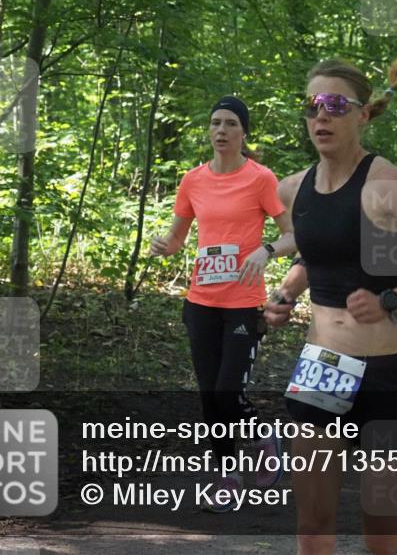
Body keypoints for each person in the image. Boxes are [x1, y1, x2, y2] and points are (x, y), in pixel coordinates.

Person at [263, 55, 397, 555]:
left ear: (361, 114)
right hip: (322, 369)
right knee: (312, 525)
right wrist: (285, 294)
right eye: (313, 105)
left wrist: (391, 298)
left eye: (335, 105)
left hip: (385, 375)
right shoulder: (292, 190)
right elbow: (318, 257)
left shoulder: (386, 183)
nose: (321, 116)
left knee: (378, 540)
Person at [149, 96, 296, 510]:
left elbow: (293, 234)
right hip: (200, 301)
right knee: (210, 396)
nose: (221, 130)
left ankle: (263, 439)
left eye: (231, 123)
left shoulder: (261, 178)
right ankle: (228, 474)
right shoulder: (192, 180)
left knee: (228, 391)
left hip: (242, 303)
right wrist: (166, 245)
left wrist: (267, 249)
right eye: (215, 122)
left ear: (243, 132)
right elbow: (179, 238)